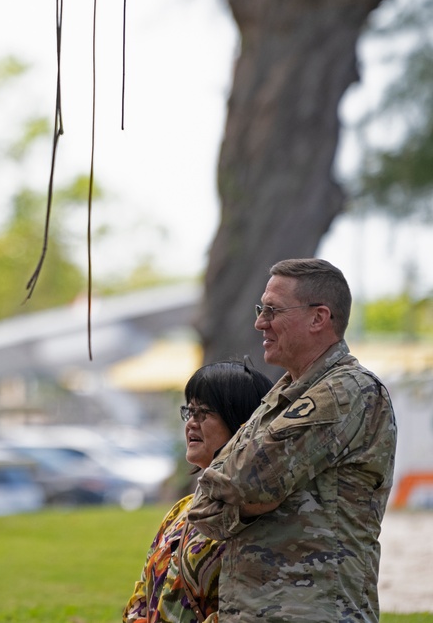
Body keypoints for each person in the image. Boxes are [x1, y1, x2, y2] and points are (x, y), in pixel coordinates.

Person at [189, 258, 397, 621]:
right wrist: (240, 495)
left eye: (272, 310)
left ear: (319, 318)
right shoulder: (286, 394)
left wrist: (239, 494)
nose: (260, 323)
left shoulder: (347, 392)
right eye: (260, 309)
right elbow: (207, 504)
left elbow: (243, 483)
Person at [123, 359, 273, 623]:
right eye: (189, 412)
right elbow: (143, 595)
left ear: (242, 424)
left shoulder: (255, 512)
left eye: (204, 413)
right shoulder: (180, 511)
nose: (191, 423)